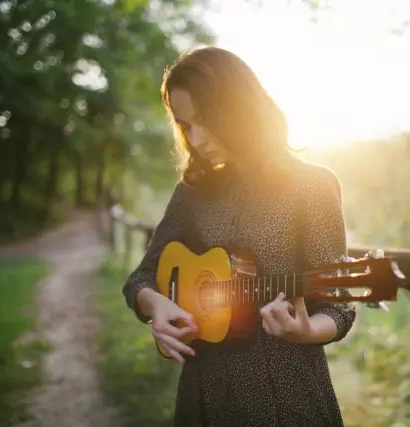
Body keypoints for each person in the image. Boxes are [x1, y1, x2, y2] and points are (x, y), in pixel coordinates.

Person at [122, 46, 356, 427]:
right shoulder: (192, 194)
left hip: (286, 393)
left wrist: (307, 329)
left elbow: (339, 304)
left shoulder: (312, 186)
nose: (195, 138)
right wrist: (156, 308)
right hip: (205, 390)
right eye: (184, 125)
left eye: (203, 120)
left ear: (237, 108)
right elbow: (141, 278)